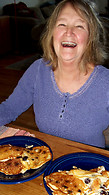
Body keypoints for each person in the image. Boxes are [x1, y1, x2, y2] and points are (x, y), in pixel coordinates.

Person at [0, 0, 109, 148]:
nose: (69, 32)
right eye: (62, 24)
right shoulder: (38, 70)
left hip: (93, 167)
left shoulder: (106, 82)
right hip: (46, 160)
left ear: (91, 37)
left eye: (79, 26)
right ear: (52, 33)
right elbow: (9, 108)